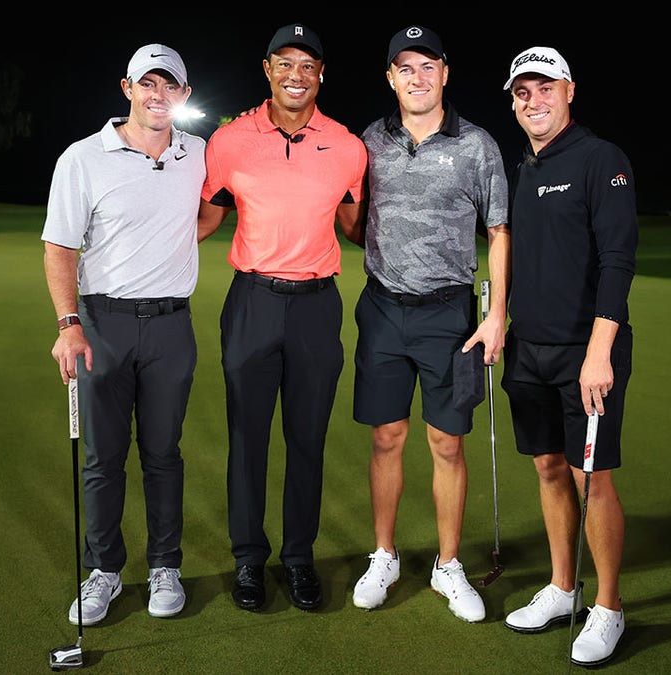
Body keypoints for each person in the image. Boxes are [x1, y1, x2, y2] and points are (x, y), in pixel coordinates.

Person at [196, 22, 367, 613]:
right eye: (285, 63)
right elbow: (204, 220)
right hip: (253, 301)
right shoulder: (230, 140)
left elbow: (356, 227)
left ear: (322, 75)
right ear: (267, 70)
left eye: (308, 65)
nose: (297, 75)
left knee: (308, 439)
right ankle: (248, 559)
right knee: (247, 437)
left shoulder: (347, 146)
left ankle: (298, 559)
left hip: (318, 306)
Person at [349, 25, 509, 623]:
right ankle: (384, 555)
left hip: (450, 314)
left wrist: (496, 315)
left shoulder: (477, 145)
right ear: (391, 78)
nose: (417, 77)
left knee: (447, 441)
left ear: (445, 72)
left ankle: (448, 565)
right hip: (384, 308)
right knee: (387, 436)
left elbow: (498, 230)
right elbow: (353, 217)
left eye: (427, 66)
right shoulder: (371, 141)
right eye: (405, 68)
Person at [41, 43, 205, 627]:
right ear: (127, 87)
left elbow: (205, 214)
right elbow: (59, 246)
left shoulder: (198, 152)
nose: (158, 96)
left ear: (183, 95)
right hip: (102, 325)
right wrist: (68, 324)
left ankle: (165, 565)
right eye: (147, 84)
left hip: (171, 326)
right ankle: (103, 571)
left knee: (163, 455)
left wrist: (172, 244)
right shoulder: (82, 158)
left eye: (170, 87)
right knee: (102, 459)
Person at [498, 46, 638, 667]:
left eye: (544, 88)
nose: (533, 100)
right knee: (549, 469)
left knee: (591, 477)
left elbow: (618, 261)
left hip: (587, 353)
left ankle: (607, 606)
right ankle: (562, 588)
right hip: (529, 351)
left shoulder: (600, 159)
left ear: (569, 90)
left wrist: (600, 351)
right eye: (522, 92)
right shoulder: (521, 167)